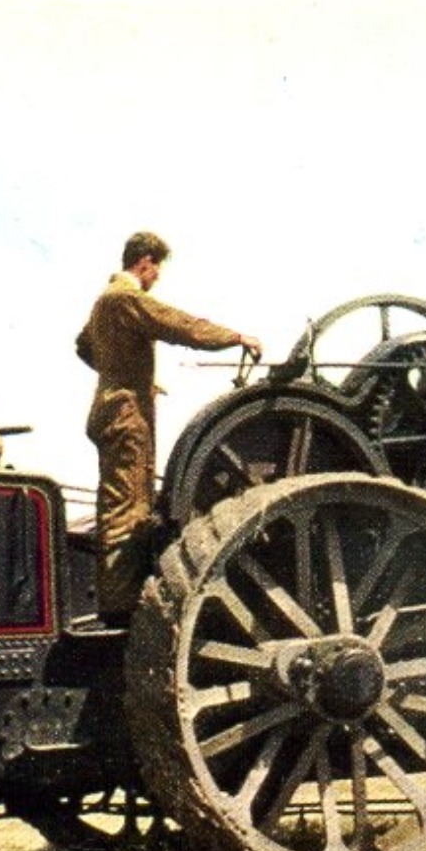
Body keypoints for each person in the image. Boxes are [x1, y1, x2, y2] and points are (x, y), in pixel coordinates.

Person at [76, 231, 263, 626]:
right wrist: (235, 337)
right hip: (127, 415)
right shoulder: (125, 298)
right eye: (155, 267)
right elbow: (180, 325)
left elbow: (83, 345)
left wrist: (127, 375)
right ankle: (120, 609)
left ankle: (117, 601)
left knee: (118, 499)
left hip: (112, 407)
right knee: (128, 507)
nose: (156, 276)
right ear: (144, 261)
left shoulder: (101, 303)